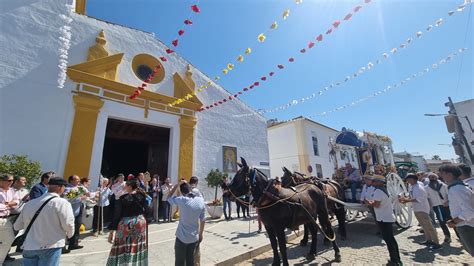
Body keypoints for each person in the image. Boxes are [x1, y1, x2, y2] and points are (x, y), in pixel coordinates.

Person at [13, 177, 75, 266]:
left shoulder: (29, 203)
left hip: (29, 246)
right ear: (60, 187)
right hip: (51, 245)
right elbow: (68, 224)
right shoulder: (62, 203)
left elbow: (17, 226)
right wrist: (69, 235)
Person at [107, 179, 148, 265]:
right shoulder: (142, 195)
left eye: (125, 185)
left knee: (124, 245)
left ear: (129, 187)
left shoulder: (122, 198)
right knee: (137, 245)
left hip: (126, 224)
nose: (123, 186)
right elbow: (146, 210)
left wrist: (112, 231)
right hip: (140, 222)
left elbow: (117, 215)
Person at [167, 180, 205, 266]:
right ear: (190, 189)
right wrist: (201, 234)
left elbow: (168, 198)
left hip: (182, 237)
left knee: (179, 262)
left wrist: (177, 185)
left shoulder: (182, 200)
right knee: (190, 261)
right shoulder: (200, 200)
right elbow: (203, 219)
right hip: (194, 237)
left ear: (182, 192)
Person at [400, 174, 442, 250]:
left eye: (409, 180)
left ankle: (436, 243)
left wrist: (406, 200)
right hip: (417, 209)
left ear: (413, 179)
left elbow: (418, 199)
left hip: (422, 209)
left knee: (429, 226)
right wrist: (406, 198)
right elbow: (412, 196)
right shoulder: (414, 185)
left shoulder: (419, 188)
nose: (408, 181)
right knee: (424, 226)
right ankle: (428, 240)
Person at [439, 165, 474, 256]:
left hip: (467, 226)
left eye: (442, 173)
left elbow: (468, 212)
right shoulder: (458, 187)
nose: (440, 176)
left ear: (450, 175)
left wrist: (453, 222)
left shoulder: (456, 189)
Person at [366, 175, 401, 265]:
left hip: (383, 218)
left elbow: (377, 205)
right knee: (391, 240)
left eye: (374, 181)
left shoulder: (378, 191)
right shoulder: (383, 190)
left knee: (389, 240)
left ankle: (394, 261)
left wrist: (369, 203)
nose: (372, 182)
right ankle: (396, 259)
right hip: (387, 217)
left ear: (379, 182)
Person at [425, 173, 451, 243]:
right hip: (437, 207)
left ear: (436, 178)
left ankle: (459, 236)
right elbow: (427, 197)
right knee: (442, 222)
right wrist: (430, 204)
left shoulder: (443, 185)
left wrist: (447, 201)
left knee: (451, 220)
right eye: (430, 177)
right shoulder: (427, 187)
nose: (432, 178)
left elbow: (449, 194)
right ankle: (447, 236)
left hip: (446, 205)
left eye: (433, 177)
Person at [65, 175, 88, 250]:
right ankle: (63, 247)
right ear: (71, 180)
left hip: (78, 210)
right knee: (68, 229)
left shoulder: (78, 188)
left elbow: (88, 194)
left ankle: (74, 244)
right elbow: (69, 199)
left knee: (77, 227)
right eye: (76, 180)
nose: (78, 181)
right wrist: (81, 198)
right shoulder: (68, 189)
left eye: (79, 180)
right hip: (71, 212)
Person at [0, 174, 19, 263]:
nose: (11, 182)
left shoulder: (12, 191)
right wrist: (7, 205)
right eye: (9, 181)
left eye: (12, 180)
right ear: (1, 181)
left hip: (6, 219)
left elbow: (17, 201)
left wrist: (8, 204)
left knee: (9, 239)